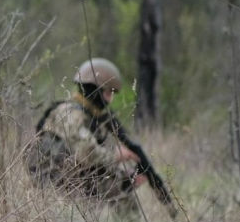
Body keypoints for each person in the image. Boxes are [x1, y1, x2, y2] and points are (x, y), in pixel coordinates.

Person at [26, 57, 149, 210]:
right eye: (109, 93)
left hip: (62, 176)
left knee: (121, 181)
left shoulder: (86, 115)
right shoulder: (71, 113)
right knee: (117, 185)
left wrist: (126, 174)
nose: (110, 99)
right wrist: (116, 155)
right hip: (51, 181)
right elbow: (87, 154)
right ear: (96, 91)